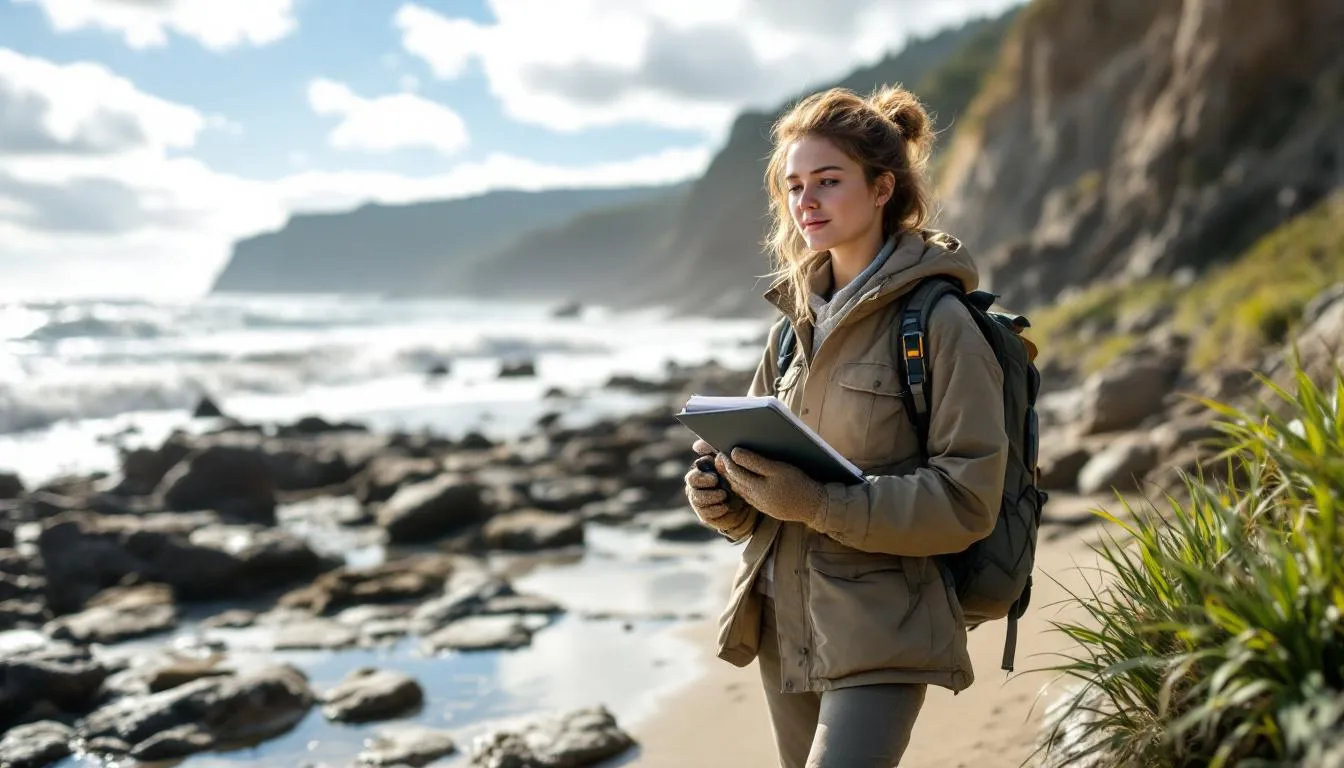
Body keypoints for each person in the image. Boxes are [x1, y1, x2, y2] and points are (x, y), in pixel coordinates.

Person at [682, 84, 1010, 768]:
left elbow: (966, 500)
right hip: (780, 619)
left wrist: (817, 503)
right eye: (795, 185)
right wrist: (723, 498)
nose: (807, 201)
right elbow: (764, 494)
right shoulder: (787, 330)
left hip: (883, 622)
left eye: (828, 181)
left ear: (882, 187)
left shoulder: (940, 324)